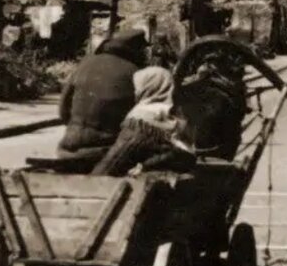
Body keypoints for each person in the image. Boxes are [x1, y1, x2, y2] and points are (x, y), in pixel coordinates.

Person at [56, 29, 148, 171]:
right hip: (104, 151)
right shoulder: (136, 72)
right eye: (143, 49)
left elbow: (63, 110)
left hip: (67, 147)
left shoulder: (84, 64)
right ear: (135, 50)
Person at [91, 67, 194, 176]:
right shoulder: (174, 117)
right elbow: (186, 155)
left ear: (145, 88)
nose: (135, 91)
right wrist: (146, 166)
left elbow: (109, 167)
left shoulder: (140, 119)